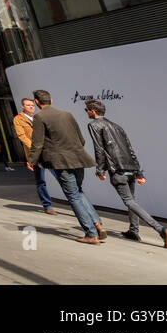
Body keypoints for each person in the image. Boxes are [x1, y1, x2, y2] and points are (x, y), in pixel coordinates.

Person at [85, 100, 167, 248]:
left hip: (117, 170)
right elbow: (130, 149)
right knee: (132, 201)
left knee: (129, 201)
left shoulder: (94, 125)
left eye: (86, 110)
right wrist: (139, 172)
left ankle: (161, 230)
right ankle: (134, 231)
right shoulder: (117, 127)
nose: (86, 112)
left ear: (93, 111)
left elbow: (99, 148)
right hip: (130, 169)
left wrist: (100, 170)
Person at [27, 89, 105, 245]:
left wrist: (32, 160)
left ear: (36, 102)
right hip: (78, 158)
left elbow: (38, 143)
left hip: (61, 162)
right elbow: (81, 139)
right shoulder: (67, 114)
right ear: (51, 101)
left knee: (73, 196)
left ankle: (91, 234)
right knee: (78, 191)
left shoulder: (39, 117)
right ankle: (97, 224)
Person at [13, 98, 56, 214]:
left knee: (60, 176)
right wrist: (34, 147)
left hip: (47, 152)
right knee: (41, 180)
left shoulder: (39, 117)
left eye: (32, 105)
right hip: (35, 154)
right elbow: (22, 136)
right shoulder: (18, 119)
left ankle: (73, 201)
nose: (31, 107)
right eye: (28, 105)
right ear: (23, 106)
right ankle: (48, 206)